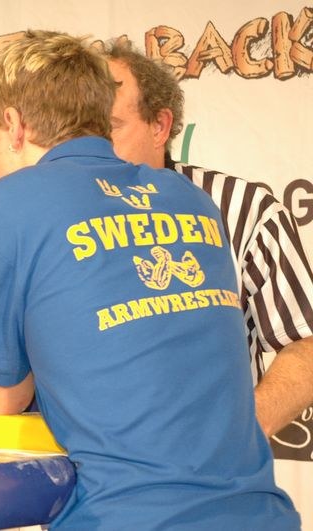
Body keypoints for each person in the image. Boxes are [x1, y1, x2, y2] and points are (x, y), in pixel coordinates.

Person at [0, 32, 300, 529]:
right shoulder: (191, 199)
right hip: (258, 513)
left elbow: (2, 397)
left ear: (13, 124)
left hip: (123, 516)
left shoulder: (4, 205)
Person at [103, 40, 313, 438]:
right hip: (82, 475)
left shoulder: (243, 209)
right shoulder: (52, 213)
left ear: (159, 126)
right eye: (83, 129)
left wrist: (244, 428)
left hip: (208, 482)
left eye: (111, 127)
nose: (94, 145)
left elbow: (305, 341)